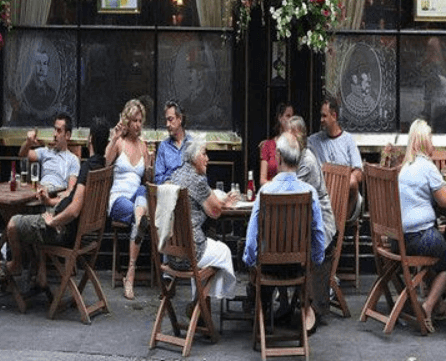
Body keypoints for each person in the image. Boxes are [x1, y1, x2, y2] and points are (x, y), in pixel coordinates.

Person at [4, 117, 110, 288]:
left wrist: (52, 221)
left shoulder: (85, 167)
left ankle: (16, 265)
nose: (54, 134)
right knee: (34, 216)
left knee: (12, 224)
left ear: (90, 139)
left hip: (62, 230)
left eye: (58, 130)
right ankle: (39, 272)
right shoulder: (103, 167)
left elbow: (74, 209)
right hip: (76, 229)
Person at [243, 132, 326, 335]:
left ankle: (263, 311)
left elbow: (251, 241)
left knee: (251, 254)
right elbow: (318, 234)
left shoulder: (265, 193)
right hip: (298, 268)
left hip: (269, 267)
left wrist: (251, 263)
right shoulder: (310, 193)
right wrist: (314, 261)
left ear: (278, 156)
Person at [397, 118, 446, 333]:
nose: (433, 142)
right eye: (431, 138)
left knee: (436, 258)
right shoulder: (427, 167)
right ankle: (428, 305)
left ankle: (439, 305)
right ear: (424, 141)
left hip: (400, 240)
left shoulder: (405, 168)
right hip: (421, 237)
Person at [167, 141, 238, 303]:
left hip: (172, 256)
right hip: (191, 253)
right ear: (194, 159)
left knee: (210, 257)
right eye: (204, 154)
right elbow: (215, 212)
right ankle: (200, 304)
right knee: (224, 252)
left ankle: (198, 307)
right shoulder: (198, 180)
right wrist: (225, 203)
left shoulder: (176, 175)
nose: (208, 158)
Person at [288, 115, 337, 321]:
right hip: (301, 223)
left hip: (318, 229)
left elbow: (286, 192)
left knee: (272, 241)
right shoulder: (297, 157)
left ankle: (304, 306)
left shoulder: (306, 161)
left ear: (298, 137)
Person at [106, 97, 151, 300]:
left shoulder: (143, 147)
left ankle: (130, 274)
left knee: (142, 190)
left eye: (140, 121)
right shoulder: (119, 142)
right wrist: (114, 138)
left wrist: (150, 166)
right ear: (126, 121)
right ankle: (130, 274)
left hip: (136, 200)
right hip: (118, 200)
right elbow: (105, 163)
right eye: (134, 120)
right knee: (139, 216)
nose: (137, 125)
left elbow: (148, 180)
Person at [307, 95, 363, 220]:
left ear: (334, 116)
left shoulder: (348, 140)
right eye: (321, 116)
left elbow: (359, 172)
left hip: (346, 198)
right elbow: (297, 145)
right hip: (325, 197)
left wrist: (342, 181)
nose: (321, 119)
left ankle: (339, 226)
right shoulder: (314, 141)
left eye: (324, 116)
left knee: (353, 181)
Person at [19, 112, 80, 195]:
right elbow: (23, 154)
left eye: (59, 131)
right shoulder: (46, 151)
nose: (54, 134)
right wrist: (28, 142)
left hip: (56, 195)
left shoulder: (73, 160)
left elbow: (70, 190)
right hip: (40, 191)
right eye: (54, 129)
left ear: (67, 135)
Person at [154, 100, 192, 184]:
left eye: (170, 119)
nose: (167, 124)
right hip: (169, 191)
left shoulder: (192, 144)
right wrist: (169, 181)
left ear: (180, 119)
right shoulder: (164, 146)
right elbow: (157, 177)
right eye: (166, 120)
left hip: (189, 192)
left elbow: (200, 174)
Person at [260, 102, 294, 186]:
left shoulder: (295, 145)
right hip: (272, 193)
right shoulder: (268, 145)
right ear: (280, 118)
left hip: (292, 192)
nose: (291, 120)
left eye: (293, 117)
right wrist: (278, 186)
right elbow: (262, 181)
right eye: (288, 116)